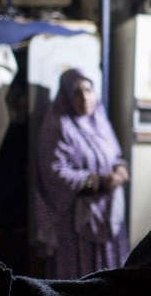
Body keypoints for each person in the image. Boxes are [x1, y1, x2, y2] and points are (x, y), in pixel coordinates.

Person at [34, 68, 131, 278]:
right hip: (76, 223)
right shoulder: (57, 125)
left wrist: (120, 168)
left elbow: (113, 155)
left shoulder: (99, 121)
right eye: (77, 92)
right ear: (67, 96)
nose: (84, 98)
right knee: (82, 277)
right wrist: (99, 182)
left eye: (88, 90)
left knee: (109, 272)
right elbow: (54, 173)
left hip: (107, 213)